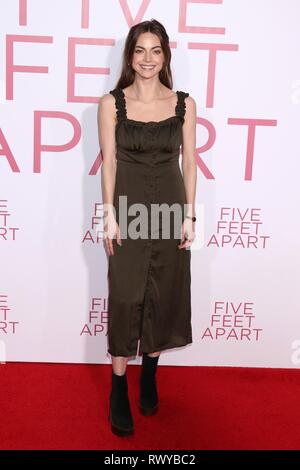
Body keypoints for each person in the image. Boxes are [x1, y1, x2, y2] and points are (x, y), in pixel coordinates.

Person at [98, 19, 197, 437]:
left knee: (164, 293)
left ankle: (150, 374)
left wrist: (190, 215)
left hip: (171, 210)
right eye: (140, 50)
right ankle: (119, 384)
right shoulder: (111, 103)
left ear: (165, 56)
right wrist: (108, 213)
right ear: (130, 55)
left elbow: (189, 162)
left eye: (156, 50)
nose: (148, 59)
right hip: (129, 209)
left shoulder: (184, 104)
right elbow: (110, 162)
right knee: (125, 297)